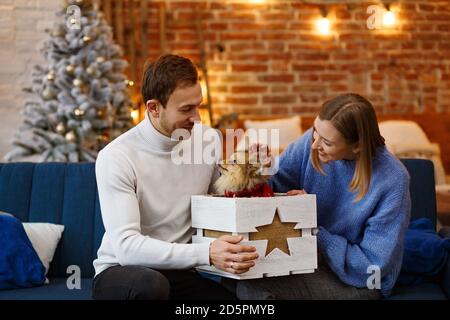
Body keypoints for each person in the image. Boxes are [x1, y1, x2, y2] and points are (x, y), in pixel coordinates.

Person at [92, 54, 258, 300]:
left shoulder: (207, 139)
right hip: (122, 273)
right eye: (186, 109)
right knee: (150, 285)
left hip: (179, 272)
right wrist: (207, 253)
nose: (197, 118)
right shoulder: (117, 157)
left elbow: (221, 199)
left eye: (198, 106)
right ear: (153, 108)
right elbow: (127, 248)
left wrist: (250, 169)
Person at [232, 93, 411, 300]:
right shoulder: (313, 142)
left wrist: (311, 228)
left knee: (252, 289)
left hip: (361, 280)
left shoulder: (393, 180)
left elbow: (372, 264)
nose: (315, 145)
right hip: (309, 260)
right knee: (233, 274)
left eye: (326, 142)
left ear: (357, 145)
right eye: (315, 132)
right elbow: (275, 185)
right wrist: (258, 171)